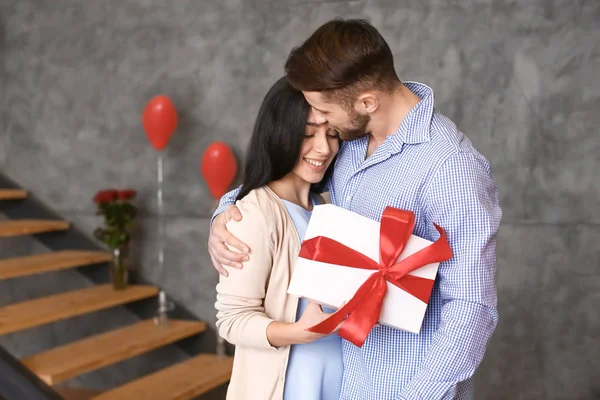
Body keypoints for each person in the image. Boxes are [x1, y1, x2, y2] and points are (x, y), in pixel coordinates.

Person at [210, 19, 502, 400]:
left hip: (403, 388)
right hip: (345, 381)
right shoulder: (350, 145)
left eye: (324, 111)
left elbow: (471, 306)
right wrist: (226, 210)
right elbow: (282, 186)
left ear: (366, 102)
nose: (321, 125)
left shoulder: (451, 168)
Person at [214, 76, 344, 400]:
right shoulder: (254, 214)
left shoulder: (324, 209)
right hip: (289, 387)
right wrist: (300, 333)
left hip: (339, 381)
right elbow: (232, 320)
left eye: (332, 133)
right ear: (280, 135)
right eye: (308, 134)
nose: (324, 148)